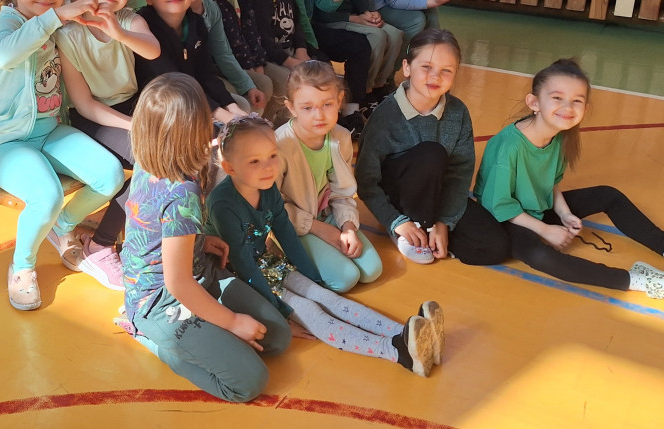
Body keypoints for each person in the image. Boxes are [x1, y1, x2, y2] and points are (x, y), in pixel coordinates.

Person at [475, 58, 664, 303]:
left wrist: (564, 214)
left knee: (608, 195)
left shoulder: (558, 136)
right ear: (534, 103)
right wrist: (545, 230)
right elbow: (498, 204)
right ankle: (639, 280)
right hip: (505, 219)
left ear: (586, 108)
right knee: (540, 256)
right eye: (557, 98)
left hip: (536, 209)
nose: (567, 107)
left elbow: (550, 182)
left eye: (577, 101)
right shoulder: (510, 146)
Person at [209, 115, 441, 376]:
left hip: (263, 262)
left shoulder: (268, 187)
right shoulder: (223, 204)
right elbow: (243, 264)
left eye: (272, 156)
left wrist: (312, 278)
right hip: (235, 277)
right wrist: (281, 313)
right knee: (309, 310)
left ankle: (407, 333)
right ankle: (396, 351)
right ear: (230, 168)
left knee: (326, 297)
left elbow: (286, 233)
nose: (268, 167)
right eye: (254, 161)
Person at [0, 0, 125, 311]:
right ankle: (22, 267)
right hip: (3, 143)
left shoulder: (56, 22)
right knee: (47, 195)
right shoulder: (6, 22)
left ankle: (62, 226)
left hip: (48, 131)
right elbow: (4, 55)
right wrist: (56, 16)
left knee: (110, 176)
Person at [121, 73, 291, 403]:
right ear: (193, 129)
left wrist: (196, 242)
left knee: (277, 336)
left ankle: (206, 336)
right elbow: (178, 284)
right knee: (249, 382)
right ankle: (150, 338)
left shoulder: (154, 154)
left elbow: (149, 226)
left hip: (197, 271)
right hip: (161, 302)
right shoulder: (181, 193)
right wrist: (232, 322)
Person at [55, 0, 161, 290]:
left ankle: (155, 230)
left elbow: (152, 48)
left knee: (172, 155)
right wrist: (134, 127)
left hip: (132, 106)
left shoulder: (128, 20)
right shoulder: (68, 34)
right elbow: (85, 105)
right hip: (94, 118)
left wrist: (120, 33)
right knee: (151, 158)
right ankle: (101, 244)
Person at [356, 29, 509, 266]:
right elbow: (366, 181)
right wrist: (395, 220)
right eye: (426, 67)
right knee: (431, 154)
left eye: (446, 70)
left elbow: (459, 173)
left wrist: (444, 222)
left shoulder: (458, 112)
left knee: (495, 247)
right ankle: (411, 230)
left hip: (436, 193)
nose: (435, 76)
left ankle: (432, 234)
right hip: (399, 201)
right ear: (407, 67)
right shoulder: (386, 116)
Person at [275, 61, 383, 293]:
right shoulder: (279, 145)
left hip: (327, 215)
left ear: (340, 100)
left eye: (327, 104)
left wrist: (348, 227)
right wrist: (317, 228)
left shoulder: (341, 137)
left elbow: (342, 192)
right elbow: (270, 208)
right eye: (307, 108)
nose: (319, 115)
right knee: (346, 279)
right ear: (291, 108)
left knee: (372, 270)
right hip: (293, 223)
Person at [134, 0, 249, 124]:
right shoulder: (144, 27)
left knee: (242, 107)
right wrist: (220, 113)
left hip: (191, 94)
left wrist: (232, 107)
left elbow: (206, 74)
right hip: (161, 103)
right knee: (220, 127)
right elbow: (171, 82)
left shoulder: (196, 23)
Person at [169, 0, 266, 115]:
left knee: (261, 86)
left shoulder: (212, 7)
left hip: (208, 72)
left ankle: (256, 128)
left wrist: (247, 86)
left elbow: (223, 54)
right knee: (241, 104)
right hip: (183, 81)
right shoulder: (175, 14)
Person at [204, 0, 279, 119]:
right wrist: (248, 67)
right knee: (261, 85)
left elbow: (250, 28)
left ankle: (267, 125)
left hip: (245, 58)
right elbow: (229, 38)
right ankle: (252, 128)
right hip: (222, 65)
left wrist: (258, 61)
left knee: (270, 82)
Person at [242, 0, 310, 125]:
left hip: (290, 53)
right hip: (271, 58)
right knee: (288, 82)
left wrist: (301, 49)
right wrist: (289, 62)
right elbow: (262, 36)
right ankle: (270, 126)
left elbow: (297, 21)